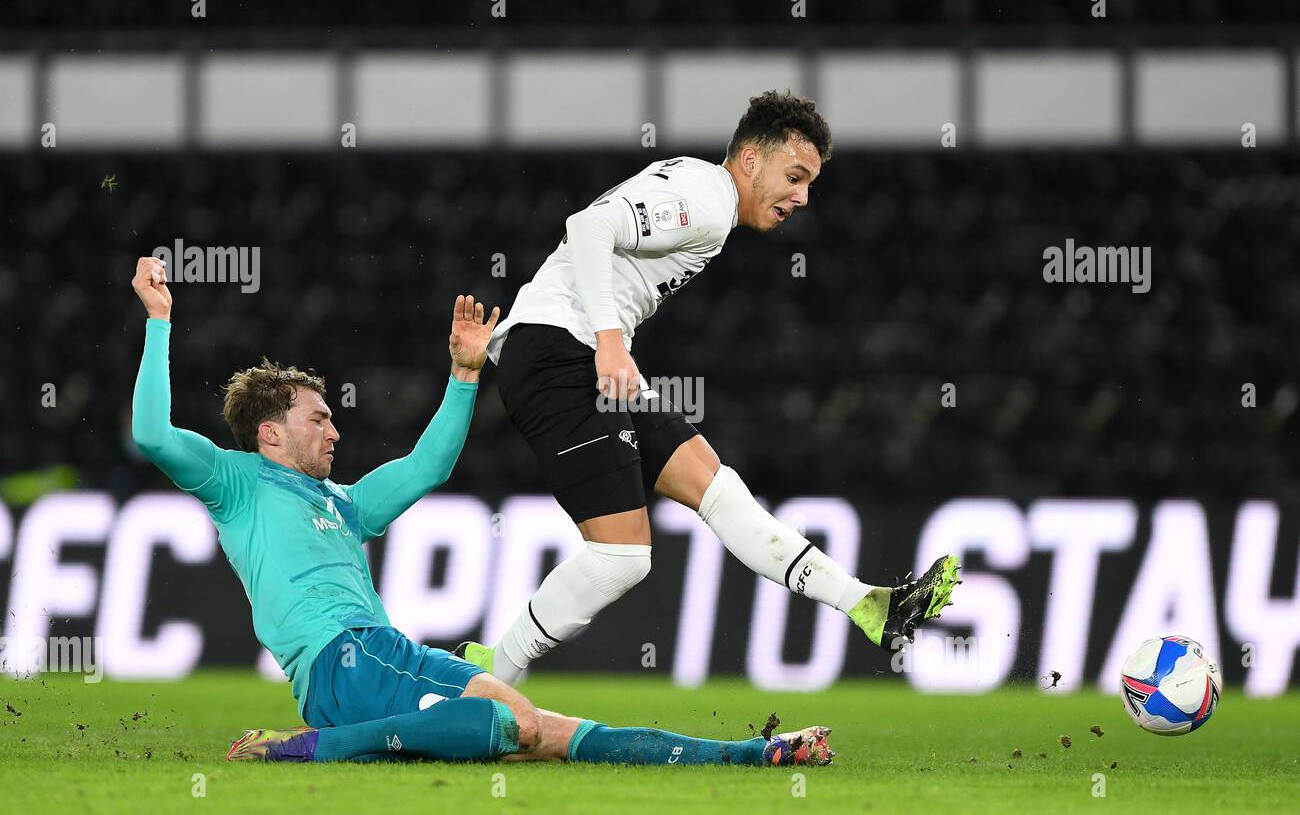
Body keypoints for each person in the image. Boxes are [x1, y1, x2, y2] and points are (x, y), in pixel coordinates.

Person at [127, 255, 832, 766]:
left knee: (548, 732)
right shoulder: (237, 482)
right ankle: (316, 750)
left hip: (384, 652)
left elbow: (427, 465)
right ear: (270, 432)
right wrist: (159, 321)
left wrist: (465, 375)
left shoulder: (342, 504)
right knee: (511, 718)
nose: (336, 431)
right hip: (344, 657)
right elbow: (154, 434)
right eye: (319, 419)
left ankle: (749, 755)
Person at [458, 90, 960, 684]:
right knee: (622, 558)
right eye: (794, 177)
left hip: (565, 349)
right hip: (569, 354)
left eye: (809, 184)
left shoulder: (700, 192)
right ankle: (492, 679)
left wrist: (530, 344)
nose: (802, 197)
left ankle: (869, 605)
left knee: (720, 491)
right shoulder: (707, 200)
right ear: (750, 161)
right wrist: (610, 339)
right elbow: (588, 226)